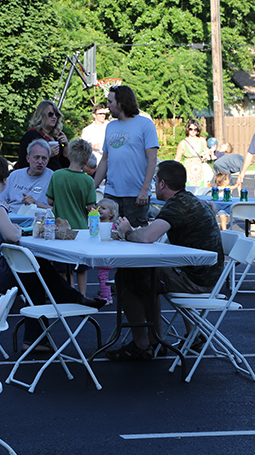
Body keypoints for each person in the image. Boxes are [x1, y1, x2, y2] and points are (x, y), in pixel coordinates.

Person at [0, 154, 104, 351]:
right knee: (37, 271)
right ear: (4, 179)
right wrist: (16, 228)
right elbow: (12, 236)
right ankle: (66, 304)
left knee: (36, 273)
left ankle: (41, 332)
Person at [107, 161, 224, 361]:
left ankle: (143, 344)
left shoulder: (179, 205)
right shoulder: (186, 200)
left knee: (128, 275)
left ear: (162, 184)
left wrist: (126, 232)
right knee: (144, 275)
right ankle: (154, 342)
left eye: (155, 181)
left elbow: (147, 237)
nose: (153, 185)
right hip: (204, 273)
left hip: (197, 281)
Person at [92, 85, 159, 227]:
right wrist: (92, 188)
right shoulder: (110, 126)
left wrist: (145, 190)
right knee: (107, 234)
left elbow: (152, 159)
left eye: (110, 102)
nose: (107, 107)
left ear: (121, 103)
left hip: (135, 195)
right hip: (111, 194)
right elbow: (105, 160)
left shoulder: (145, 124)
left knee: (134, 237)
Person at [47, 138, 97, 294]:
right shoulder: (88, 180)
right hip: (80, 229)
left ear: (68, 155)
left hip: (61, 230)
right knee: (81, 267)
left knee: (64, 267)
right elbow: (90, 207)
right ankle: (82, 295)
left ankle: (70, 294)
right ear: (87, 160)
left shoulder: (57, 175)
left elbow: (49, 200)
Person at [0, 139, 53, 211]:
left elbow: (58, 211)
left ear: (48, 160)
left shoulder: (53, 178)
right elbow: (0, 200)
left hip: (37, 219)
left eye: (44, 158)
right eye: (36, 157)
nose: (40, 162)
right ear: (28, 158)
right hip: (10, 217)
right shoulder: (15, 175)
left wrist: (36, 204)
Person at [15, 100, 70, 172]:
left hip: (53, 179)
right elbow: (23, 163)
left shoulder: (55, 138)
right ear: (41, 115)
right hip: (37, 179)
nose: (54, 117)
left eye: (57, 115)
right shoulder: (31, 135)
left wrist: (66, 145)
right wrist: (47, 155)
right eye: (51, 114)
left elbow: (65, 164)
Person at [96, 198, 119, 304]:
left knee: (102, 275)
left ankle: (106, 297)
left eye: (103, 208)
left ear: (111, 214)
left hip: (106, 254)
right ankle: (106, 295)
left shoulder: (110, 226)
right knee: (103, 275)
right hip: (103, 253)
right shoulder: (98, 223)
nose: (99, 210)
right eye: (98, 207)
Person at [174, 118, 210, 188]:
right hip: (188, 172)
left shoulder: (202, 141)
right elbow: (177, 159)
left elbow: (206, 152)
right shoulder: (183, 143)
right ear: (187, 129)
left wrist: (207, 154)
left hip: (200, 172)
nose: (193, 131)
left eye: (195, 129)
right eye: (191, 129)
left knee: (201, 191)